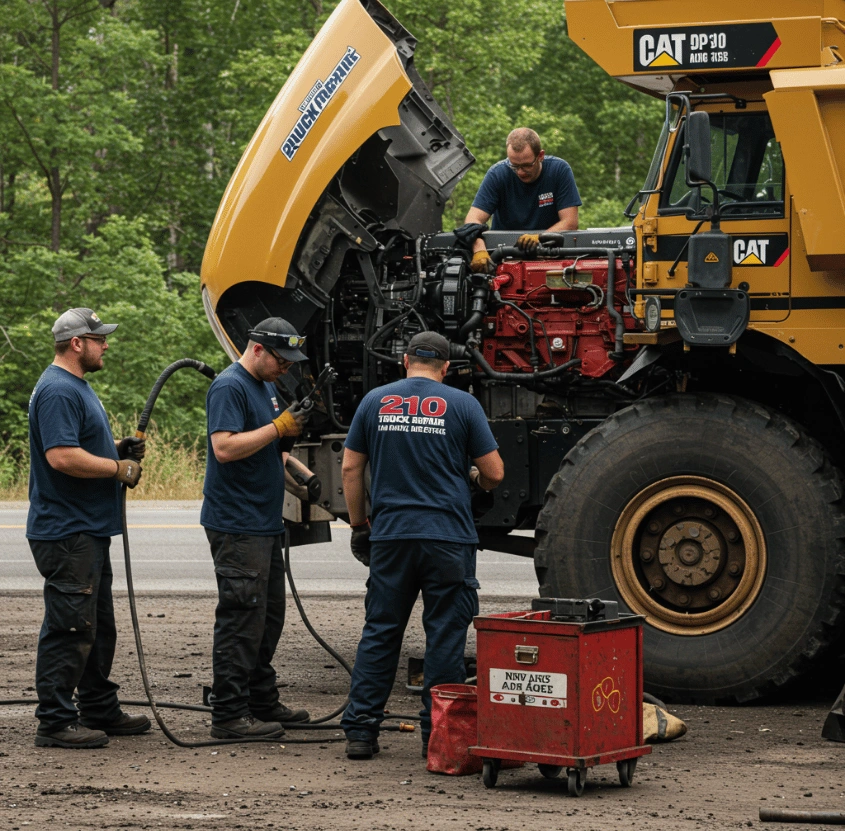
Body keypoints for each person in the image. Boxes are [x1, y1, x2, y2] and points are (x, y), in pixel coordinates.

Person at [340, 331, 505, 760]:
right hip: (448, 537)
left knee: (380, 633)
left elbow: (351, 467)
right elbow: (495, 472)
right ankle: (438, 736)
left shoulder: (375, 401)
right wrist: (475, 479)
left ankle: (360, 733)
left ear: (405, 361)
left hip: (392, 536)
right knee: (445, 638)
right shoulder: (464, 404)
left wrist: (360, 524)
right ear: (446, 367)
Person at [27, 308, 149, 749]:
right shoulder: (59, 389)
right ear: (77, 343)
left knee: (97, 625)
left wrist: (115, 446)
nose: (106, 344)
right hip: (67, 531)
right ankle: (55, 722)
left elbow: (75, 444)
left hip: (85, 529)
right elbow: (61, 456)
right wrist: (118, 467)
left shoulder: (75, 387)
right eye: (99, 338)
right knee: (70, 627)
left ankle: (98, 708)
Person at [200, 317, 312, 739]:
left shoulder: (265, 387)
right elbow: (225, 447)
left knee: (267, 618)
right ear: (258, 349)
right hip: (236, 524)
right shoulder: (230, 386)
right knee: (241, 618)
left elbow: (270, 452)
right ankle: (228, 715)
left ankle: (261, 699)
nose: (287, 368)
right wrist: (278, 427)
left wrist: (300, 469)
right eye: (282, 360)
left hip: (262, 523)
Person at [464, 127, 582, 273]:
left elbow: (570, 222)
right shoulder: (497, 174)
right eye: (514, 165)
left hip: (550, 258)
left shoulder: (559, 171)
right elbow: (472, 219)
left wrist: (539, 238)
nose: (520, 172)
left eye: (526, 165)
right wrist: (479, 249)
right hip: (505, 258)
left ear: (540, 156)